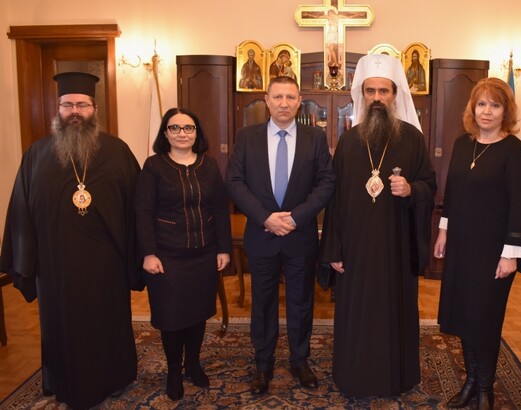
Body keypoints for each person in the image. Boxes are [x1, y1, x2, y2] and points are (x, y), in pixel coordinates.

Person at [0, 72, 140, 409]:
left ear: (94, 108)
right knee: (60, 325)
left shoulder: (118, 151)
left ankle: (114, 376)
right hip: (55, 264)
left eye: (82, 104)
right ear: (58, 109)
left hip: (105, 263)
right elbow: (21, 209)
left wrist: (137, 256)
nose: (74, 111)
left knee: (107, 322)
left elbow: (137, 207)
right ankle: (62, 380)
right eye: (67, 105)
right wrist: (25, 260)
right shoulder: (36, 154)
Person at [319, 53, 436, 396]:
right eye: (370, 91)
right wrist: (333, 248)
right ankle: (353, 376)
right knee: (356, 312)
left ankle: (394, 377)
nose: (377, 98)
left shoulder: (412, 139)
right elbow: (334, 200)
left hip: (395, 246)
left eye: (384, 91)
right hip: (355, 249)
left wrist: (411, 189)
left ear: (395, 95)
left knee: (393, 311)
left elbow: (430, 185)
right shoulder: (348, 141)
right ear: (362, 94)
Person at [226, 76, 335, 395]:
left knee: (301, 302)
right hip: (262, 234)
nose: (284, 103)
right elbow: (234, 182)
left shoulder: (315, 138)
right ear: (266, 100)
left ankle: (300, 361)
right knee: (262, 302)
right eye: (278, 97)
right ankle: (263, 364)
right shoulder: (246, 137)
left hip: (300, 236)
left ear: (299, 101)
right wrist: (265, 218)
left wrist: (296, 218)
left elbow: (327, 182)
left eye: (290, 97)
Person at [433, 78, 521, 410]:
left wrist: (511, 255)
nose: (487, 111)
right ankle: (471, 382)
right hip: (462, 247)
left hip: (494, 253)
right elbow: (451, 193)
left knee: (485, 319)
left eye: (495, 105)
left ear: (506, 111)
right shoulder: (463, 144)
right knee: (464, 315)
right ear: (472, 108)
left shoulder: (513, 150)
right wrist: (443, 232)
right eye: (481, 104)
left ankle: (486, 388)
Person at [135, 108, 232, 400]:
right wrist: (148, 253)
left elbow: (220, 210)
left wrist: (224, 248)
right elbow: (143, 212)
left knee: (198, 314)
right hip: (167, 258)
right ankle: (174, 371)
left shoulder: (208, 165)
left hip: (204, 255)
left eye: (188, 128)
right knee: (172, 318)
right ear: (165, 133)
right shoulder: (154, 166)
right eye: (174, 128)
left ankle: (193, 363)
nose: (182, 133)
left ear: (196, 133)